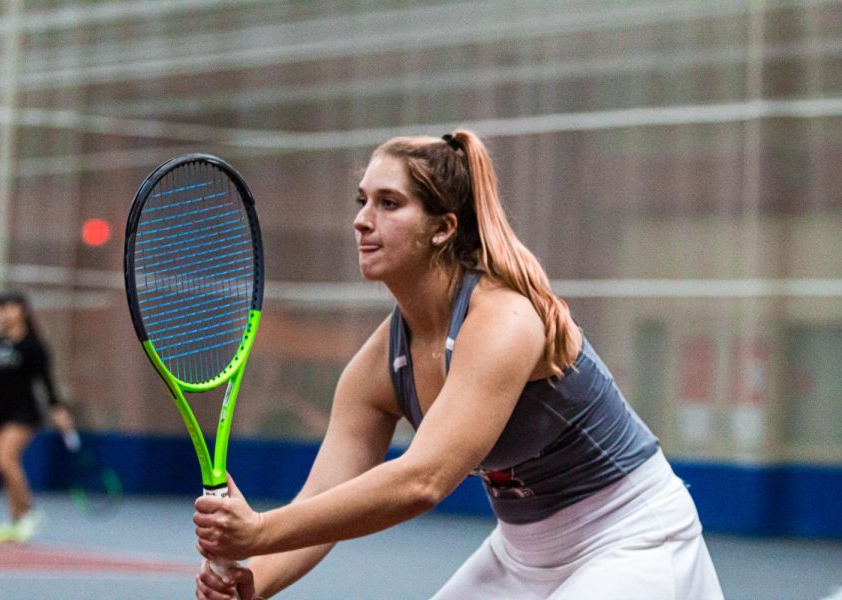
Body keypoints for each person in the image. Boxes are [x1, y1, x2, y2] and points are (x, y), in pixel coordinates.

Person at [193, 130, 724, 599]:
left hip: (632, 540)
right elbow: (323, 503)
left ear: (443, 227)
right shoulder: (378, 368)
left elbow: (422, 481)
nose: (361, 220)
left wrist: (259, 532)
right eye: (361, 201)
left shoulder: (504, 320)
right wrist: (255, 579)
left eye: (388, 203)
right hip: (521, 555)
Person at [0, 290, 76, 543]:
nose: (4, 313)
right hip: (1, 414)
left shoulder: (34, 346)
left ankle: (29, 512)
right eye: (0, 308)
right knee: (2, 465)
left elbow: (47, 383)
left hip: (25, 414)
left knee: (6, 459)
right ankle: (16, 520)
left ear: (22, 311)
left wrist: (59, 411)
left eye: (9, 307)